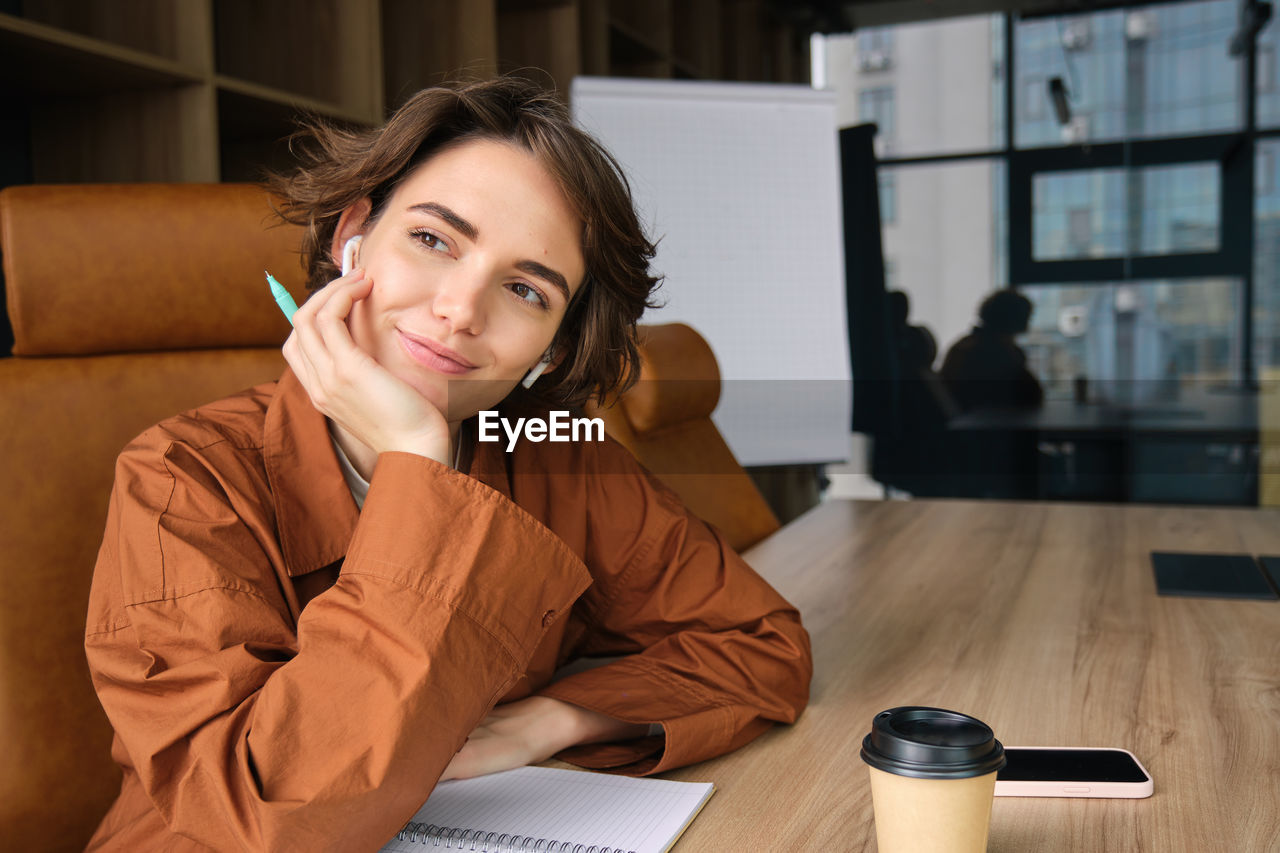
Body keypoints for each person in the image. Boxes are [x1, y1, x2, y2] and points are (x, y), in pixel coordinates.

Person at [83, 77, 812, 851]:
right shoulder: (181, 477)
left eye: (526, 289)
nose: (462, 309)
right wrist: (416, 465)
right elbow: (272, 815)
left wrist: (555, 719)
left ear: (554, 348)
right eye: (432, 240)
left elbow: (759, 644)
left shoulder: (552, 456)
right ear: (353, 237)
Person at [940, 289, 1044, 413]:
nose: (1028, 325)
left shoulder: (964, 345)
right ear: (1015, 319)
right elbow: (1032, 395)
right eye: (1027, 318)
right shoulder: (995, 352)